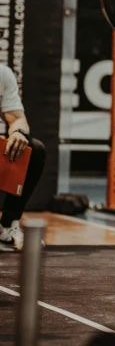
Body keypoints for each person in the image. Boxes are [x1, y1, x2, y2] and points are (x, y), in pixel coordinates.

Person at [0, 64, 46, 250]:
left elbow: (17, 118)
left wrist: (18, 132)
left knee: (33, 150)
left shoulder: (2, 74)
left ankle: (7, 226)